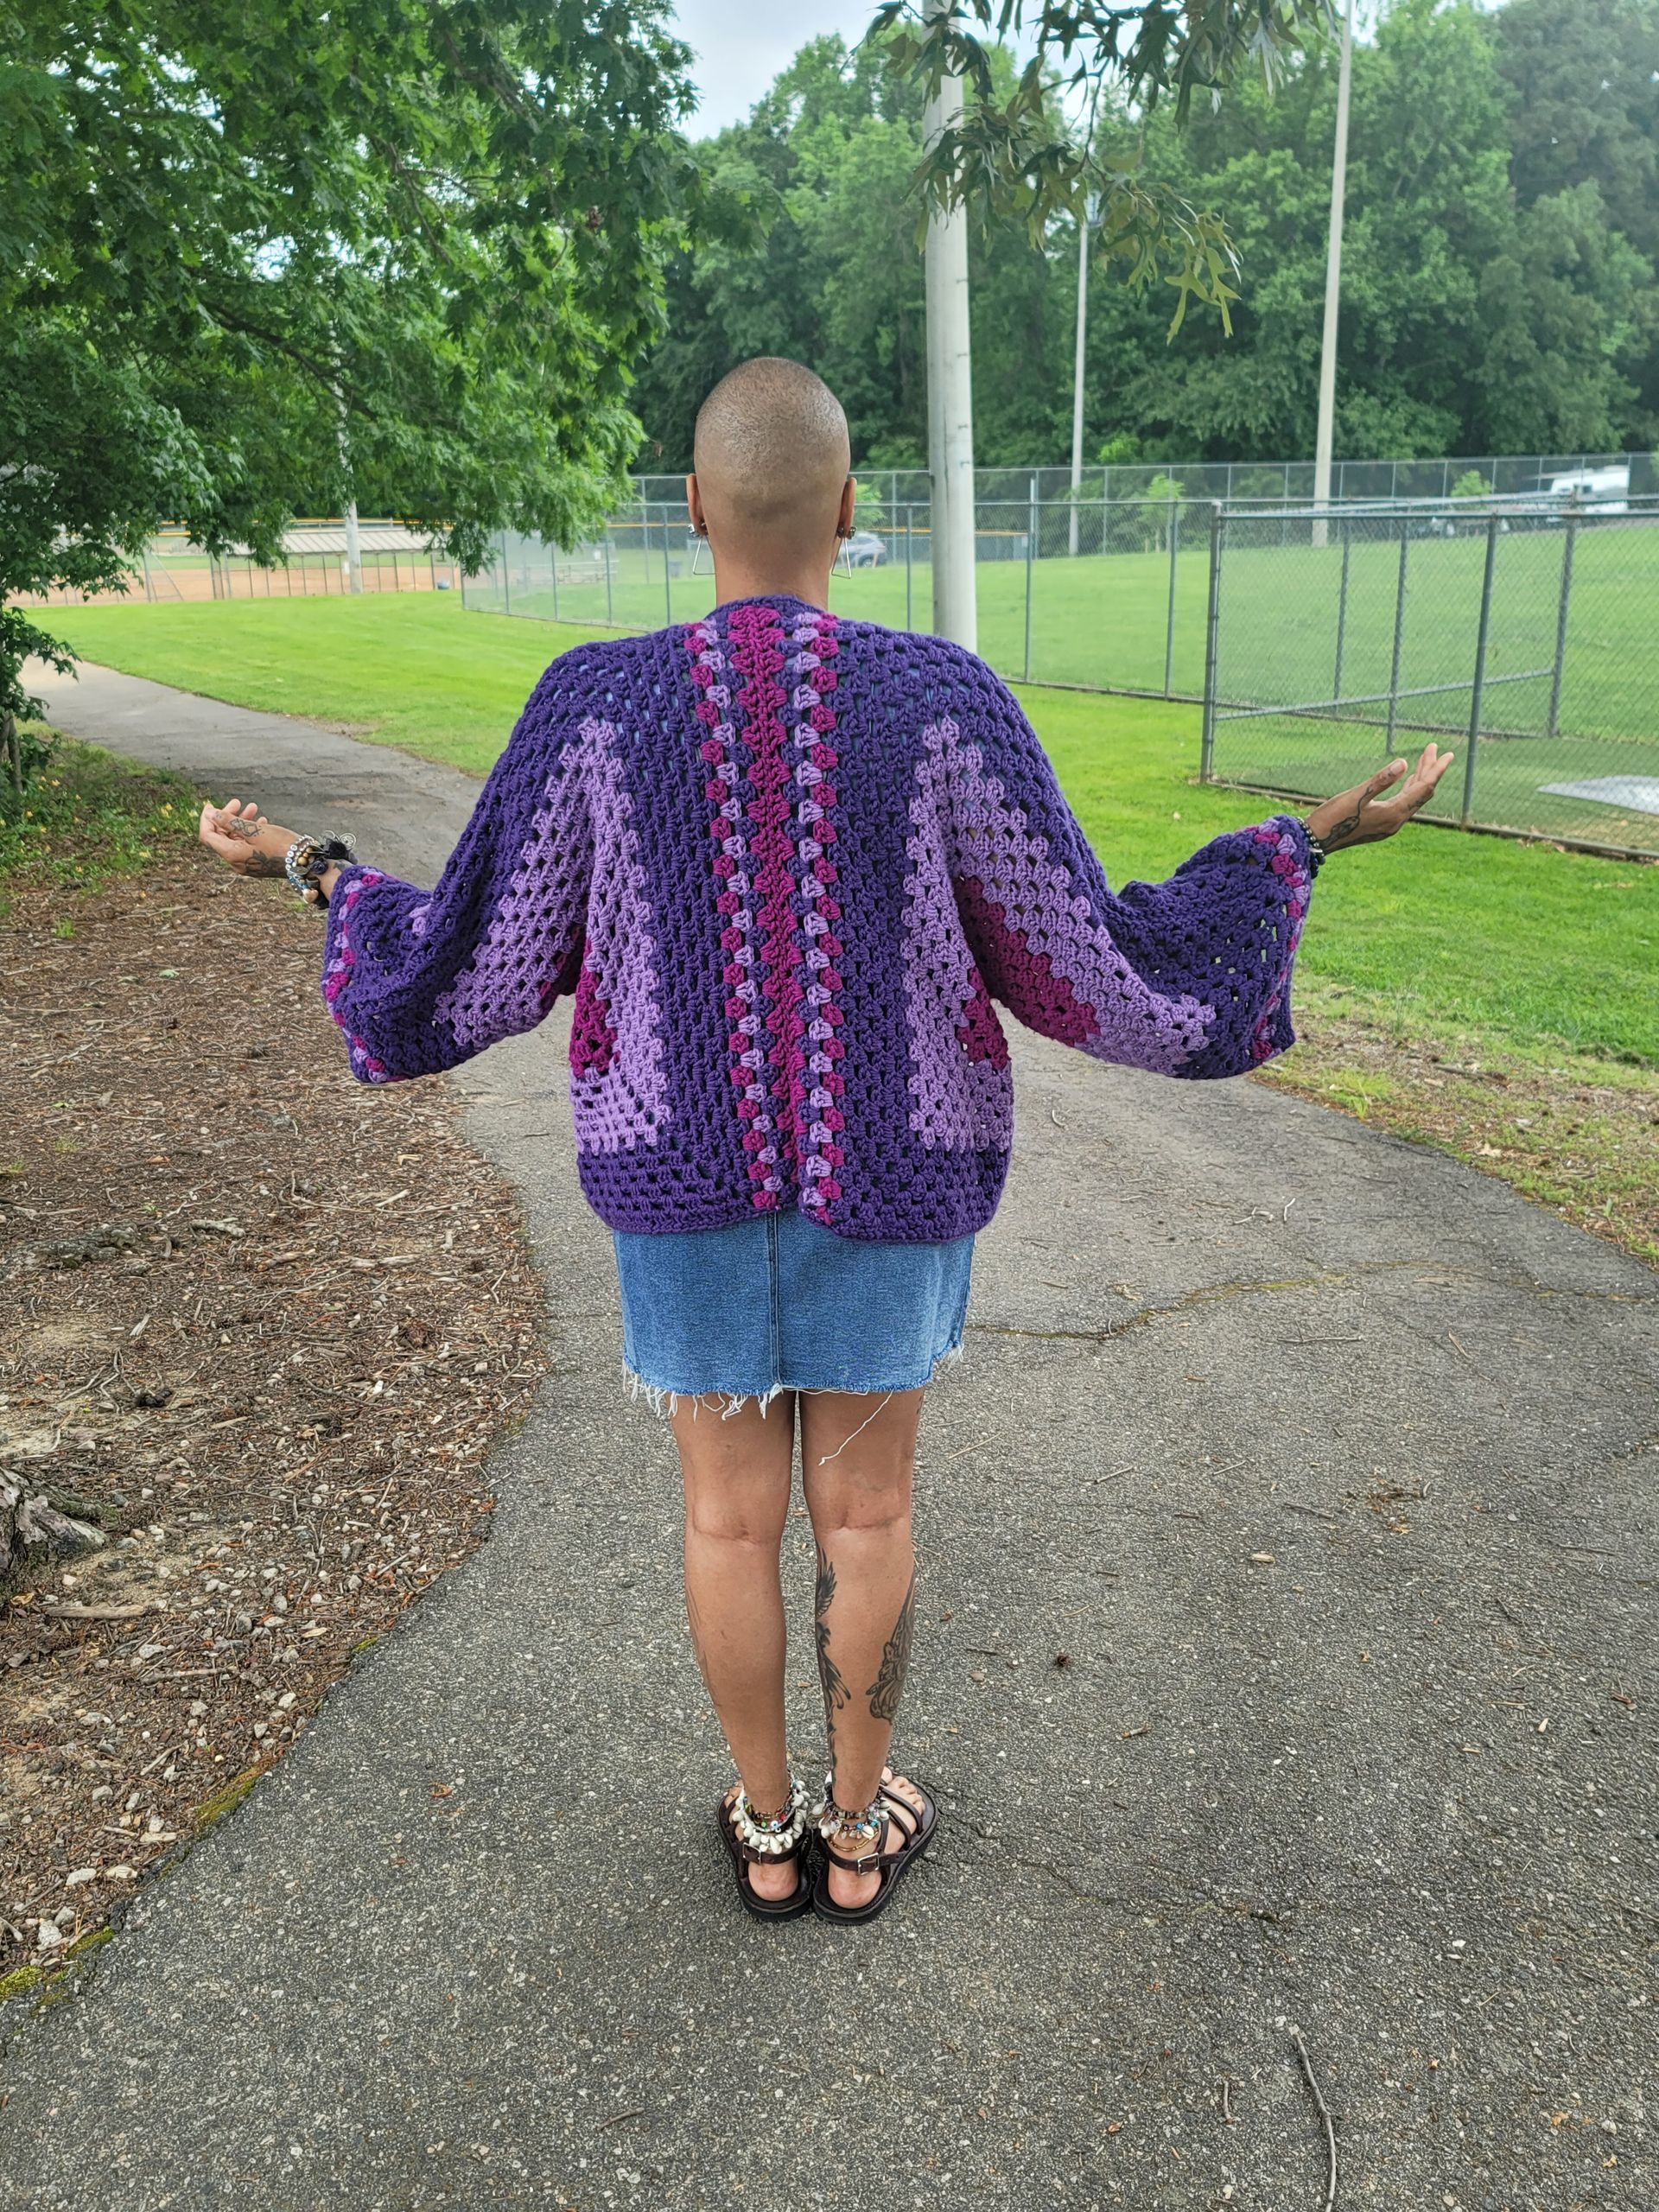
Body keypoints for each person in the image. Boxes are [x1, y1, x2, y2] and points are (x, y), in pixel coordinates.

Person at [198, 357, 1452, 1924]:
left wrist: (310, 870)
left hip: (679, 1180)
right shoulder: (941, 704)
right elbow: (1096, 966)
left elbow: (472, 958)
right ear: (852, 510)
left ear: (699, 502)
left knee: (726, 1516)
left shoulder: (594, 710)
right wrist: (1305, 839)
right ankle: (861, 1839)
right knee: (866, 1513)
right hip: (895, 1179)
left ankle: (769, 1825)